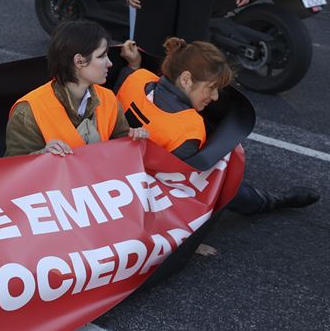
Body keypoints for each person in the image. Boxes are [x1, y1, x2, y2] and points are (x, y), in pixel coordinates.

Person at [117, 37, 319, 215]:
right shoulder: (189, 129)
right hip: (145, 189)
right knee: (221, 183)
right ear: (186, 79)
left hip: (115, 176)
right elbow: (184, 187)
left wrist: (133, 65)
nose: (214, 97)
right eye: (211, 88)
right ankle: (270, 201)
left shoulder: (136, 77)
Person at [6, 19, 148, 157]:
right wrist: (43, 155)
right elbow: (13, 169)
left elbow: (121, 147)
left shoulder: (108, 99)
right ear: (79, 61)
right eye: (101, 56)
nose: (109, 63)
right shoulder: (28, 112)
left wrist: (134, 138)